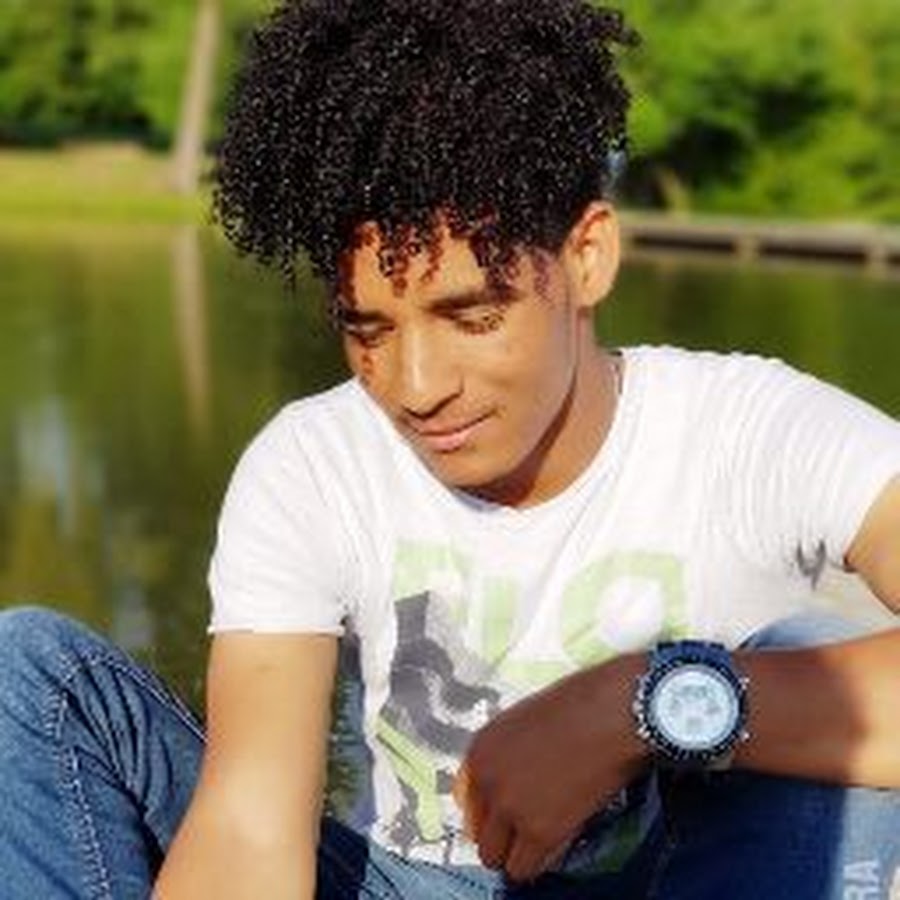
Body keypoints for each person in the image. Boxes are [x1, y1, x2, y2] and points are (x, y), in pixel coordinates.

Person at [1, 1, 899, 897]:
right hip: (414, 884)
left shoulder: (752, 430)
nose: (416, 385)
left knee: (819, 659)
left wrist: (637, 704)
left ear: (587, 256)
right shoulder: (311, 463)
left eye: (471, 317)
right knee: (30, 674)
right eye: (368, 330)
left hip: (687, 879)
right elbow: (250, 825)